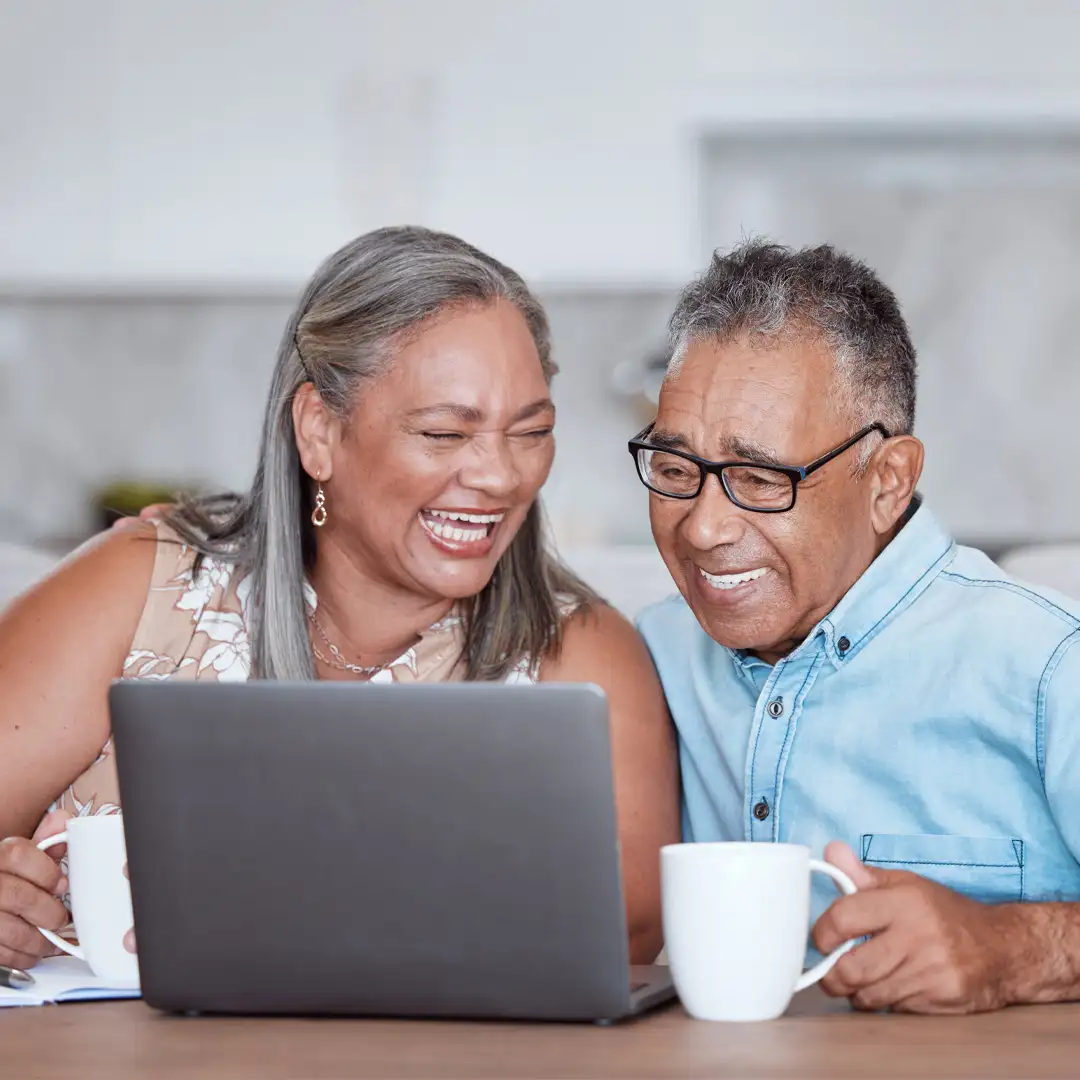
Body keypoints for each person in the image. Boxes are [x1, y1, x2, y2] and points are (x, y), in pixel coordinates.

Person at [0, 226, 678, 971]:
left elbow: (632, 927)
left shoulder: (576, 652)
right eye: (445, 433)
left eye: (532, 431)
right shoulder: (140, 584)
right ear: (319, 431)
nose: (500, 476)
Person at [634, 239, 1080, 1015]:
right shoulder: (649, 658)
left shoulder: (1047, 664)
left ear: (889, 480)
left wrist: (1017, 949)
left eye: (759, 478)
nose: (703, 528)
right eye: (676, 472)